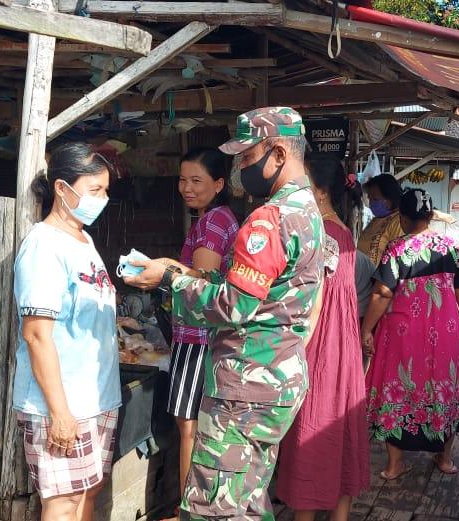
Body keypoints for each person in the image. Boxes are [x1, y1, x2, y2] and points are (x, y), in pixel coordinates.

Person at [123, 107, 325, 521]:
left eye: (248, 158)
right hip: (277, 382)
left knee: (214, 509)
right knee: (247, 500)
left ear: (279, 153)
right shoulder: (309, 213)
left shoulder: (269, 220)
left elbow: (233, 306)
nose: (241, 170)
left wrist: (170, 281)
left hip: (244, 388)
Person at [11, 143, 121, 521]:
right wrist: (59, 412)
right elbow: (36, 335)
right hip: (60, 403)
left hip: (97, 398)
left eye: (105, 191)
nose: (102, 199)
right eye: (95, 191)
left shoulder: (83, 239)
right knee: (62, 503)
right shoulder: (42, 246)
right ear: (62, 188)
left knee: (88, 492)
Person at [361, 188, 459, 480]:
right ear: (430, 217)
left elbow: (381, 293)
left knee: (396, 388)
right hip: (446, 333)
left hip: (402, 335)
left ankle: (394, 464)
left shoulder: (396, 249)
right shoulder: (451, 248)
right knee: (446, 388)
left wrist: (367, 329)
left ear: (402, 218)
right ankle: (444, 458)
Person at [274, 154, 369, 521]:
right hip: (341, 348)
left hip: (320, 346)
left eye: (302, 182)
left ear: (320, 191)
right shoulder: (341, 231)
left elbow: (312, 304)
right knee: (339, 435)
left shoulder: (323, 233)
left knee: (310, 438)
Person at [169, 147, 241, 500]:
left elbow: (202, 278)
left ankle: (186, 507)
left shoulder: (213, 222)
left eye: (196, 180)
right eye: (183, 179)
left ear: (219, 183)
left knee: (188, 426)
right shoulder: (222, 217)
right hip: (211, 336)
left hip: (197, 336)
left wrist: (159, 270)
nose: (187, 187)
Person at [358, 174, 404, 264]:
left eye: (375, 199)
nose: (371, 203)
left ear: (390, 198)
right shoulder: (376, 220)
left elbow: (398, 258)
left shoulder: (399, 222)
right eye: (369, 198)